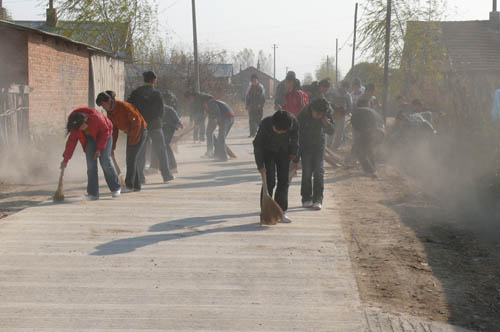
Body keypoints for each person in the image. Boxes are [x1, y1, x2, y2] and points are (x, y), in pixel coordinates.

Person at [61, 108, 121, 200]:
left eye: (81, 127)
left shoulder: (96, 118)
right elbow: (71, 142)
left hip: (105, 134)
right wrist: (66, 159)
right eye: (79, 128)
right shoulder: (75, 124)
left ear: (85, 121)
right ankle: (93, 193)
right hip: (90, 139)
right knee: (91, 166)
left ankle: (115, 188)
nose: (80, 129)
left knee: (105, 162)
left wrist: (99, 149)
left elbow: (105, 131)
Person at [96, 91, 148, 192]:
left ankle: (128, 185)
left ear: (109, 100)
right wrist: (112, 146)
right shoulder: (110, 112)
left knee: (130, 159)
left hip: (139, 131)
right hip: (131, 133)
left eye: (103, 104)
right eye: (101, 106)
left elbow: (137, 122)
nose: (103, 107)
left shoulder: (124, 106)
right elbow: (114, 130)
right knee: (132, 159)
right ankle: (136, 186)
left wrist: (133, 140)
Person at [128, 71, 174, 184]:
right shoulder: (157, 93)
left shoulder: (136, 93)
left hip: (140, 125)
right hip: (155, 125)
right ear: (154, 80)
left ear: (144, 80)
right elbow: (161, 111)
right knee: (161, 150)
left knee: (141, 151)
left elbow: (129, 107)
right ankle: (166, 175)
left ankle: (141, 178)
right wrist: (159, 120)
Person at [253, 110, 299, 223]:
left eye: (282, 132)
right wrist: (260, 164)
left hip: (284, 152)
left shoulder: (293, 123)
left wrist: (295, 156)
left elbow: (295, 139)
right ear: (273, 125)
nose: (279, 133)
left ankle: (281, 212)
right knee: (269, 182)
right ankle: (266, 213)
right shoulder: (265, 124)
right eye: (276, 130)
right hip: (268, 152)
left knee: (283, 181)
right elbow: (257, 144)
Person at [297, 98, 334, 210]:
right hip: (305, 145)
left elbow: (332, 131)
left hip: (319, 145)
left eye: (321, 114)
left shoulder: (326, 113)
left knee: (319, 171)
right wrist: (296, 153)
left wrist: (327, 125)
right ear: (312, 109)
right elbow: (297, 133)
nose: (318, 116)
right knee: (307, 172)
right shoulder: (303, 114)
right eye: (317, 114)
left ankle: (318, 199)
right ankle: (306, 198)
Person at [351, 106, 385, 177]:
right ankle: (373, 169)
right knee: (369, 152)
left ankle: (370, 171)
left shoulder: (359, 115)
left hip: (367, 135)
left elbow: (358, 129)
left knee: (361, 153)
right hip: (369, 135)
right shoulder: (371, 114)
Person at [150, 104, 183, 173]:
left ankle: (173, 167)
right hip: (163, 125)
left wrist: (178, 122)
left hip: (169, 125)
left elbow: (171, 111)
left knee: (164, 144)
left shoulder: (155, 106)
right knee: (155, 144)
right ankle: (154, 167)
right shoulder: (153, 105)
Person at [202, 96, 235, 161]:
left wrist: (217, 120)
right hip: (231, 117)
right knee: (221, 138)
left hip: (226, 118)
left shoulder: (210, 102)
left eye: (203, 105)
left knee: (220, 139)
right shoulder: (215, 101)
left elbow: (217, 111)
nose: (204, 107)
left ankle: (223, 157)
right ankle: (217, 155)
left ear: (205, 102)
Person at [329, 80, 352, 150]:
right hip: (333, 113)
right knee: (332, 129)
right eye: (343, 87)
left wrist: (346, 112)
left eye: (346, 87)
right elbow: (330, 102)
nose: (344, 89)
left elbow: (350, 106)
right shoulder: (334, 92)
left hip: (342, 114)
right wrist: (334, 106)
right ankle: (329, 144)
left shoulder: (348, 95)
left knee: (340, 131)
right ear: (342, 86)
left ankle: (336, 146)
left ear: (348, 88)